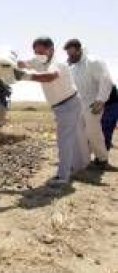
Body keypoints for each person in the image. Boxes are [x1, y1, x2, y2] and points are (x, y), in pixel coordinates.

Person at [15, 36, 90, 186]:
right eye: (36, 53)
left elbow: (50, 76)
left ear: (51, 50)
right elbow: (23, 63)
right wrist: (6, 64)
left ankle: (63, 177)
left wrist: (26, 76)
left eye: (42, 52)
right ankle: (80, 167)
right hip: (62, 106)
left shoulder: (58, 63)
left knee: (64, 141)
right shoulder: (39, 60)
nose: (39, 56)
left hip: (69, 104)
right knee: (73, 138)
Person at [63, 39, 114, 169]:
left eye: (72, 54)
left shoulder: (93, 62)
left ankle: (102, 159)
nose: (70, 57)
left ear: (79, 50)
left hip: (93, 104)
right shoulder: (72, 66)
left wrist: (101, 100)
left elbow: (105, 79)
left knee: (93, 132)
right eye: (68, 54)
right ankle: (83, 160)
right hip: (78, 104)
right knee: (79, 133)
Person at [102, 85, 118, 150]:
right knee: (108, 127)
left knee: (107, 127)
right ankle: (107, 144)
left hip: (112, 105)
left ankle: (106, 145)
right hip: (112, 105)